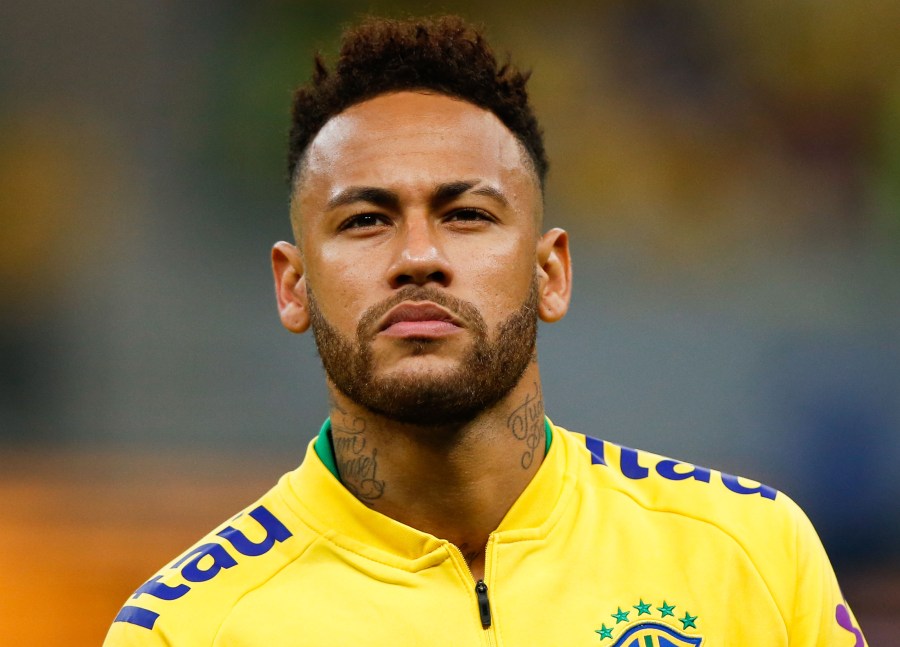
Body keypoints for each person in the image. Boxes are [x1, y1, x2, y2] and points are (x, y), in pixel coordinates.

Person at [104, 15, 867, 646]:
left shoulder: (750, 553)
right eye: (365, 220)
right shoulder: (187, 628)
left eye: (466, 214)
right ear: (292, 284)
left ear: (552, 273)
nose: (419, 258)